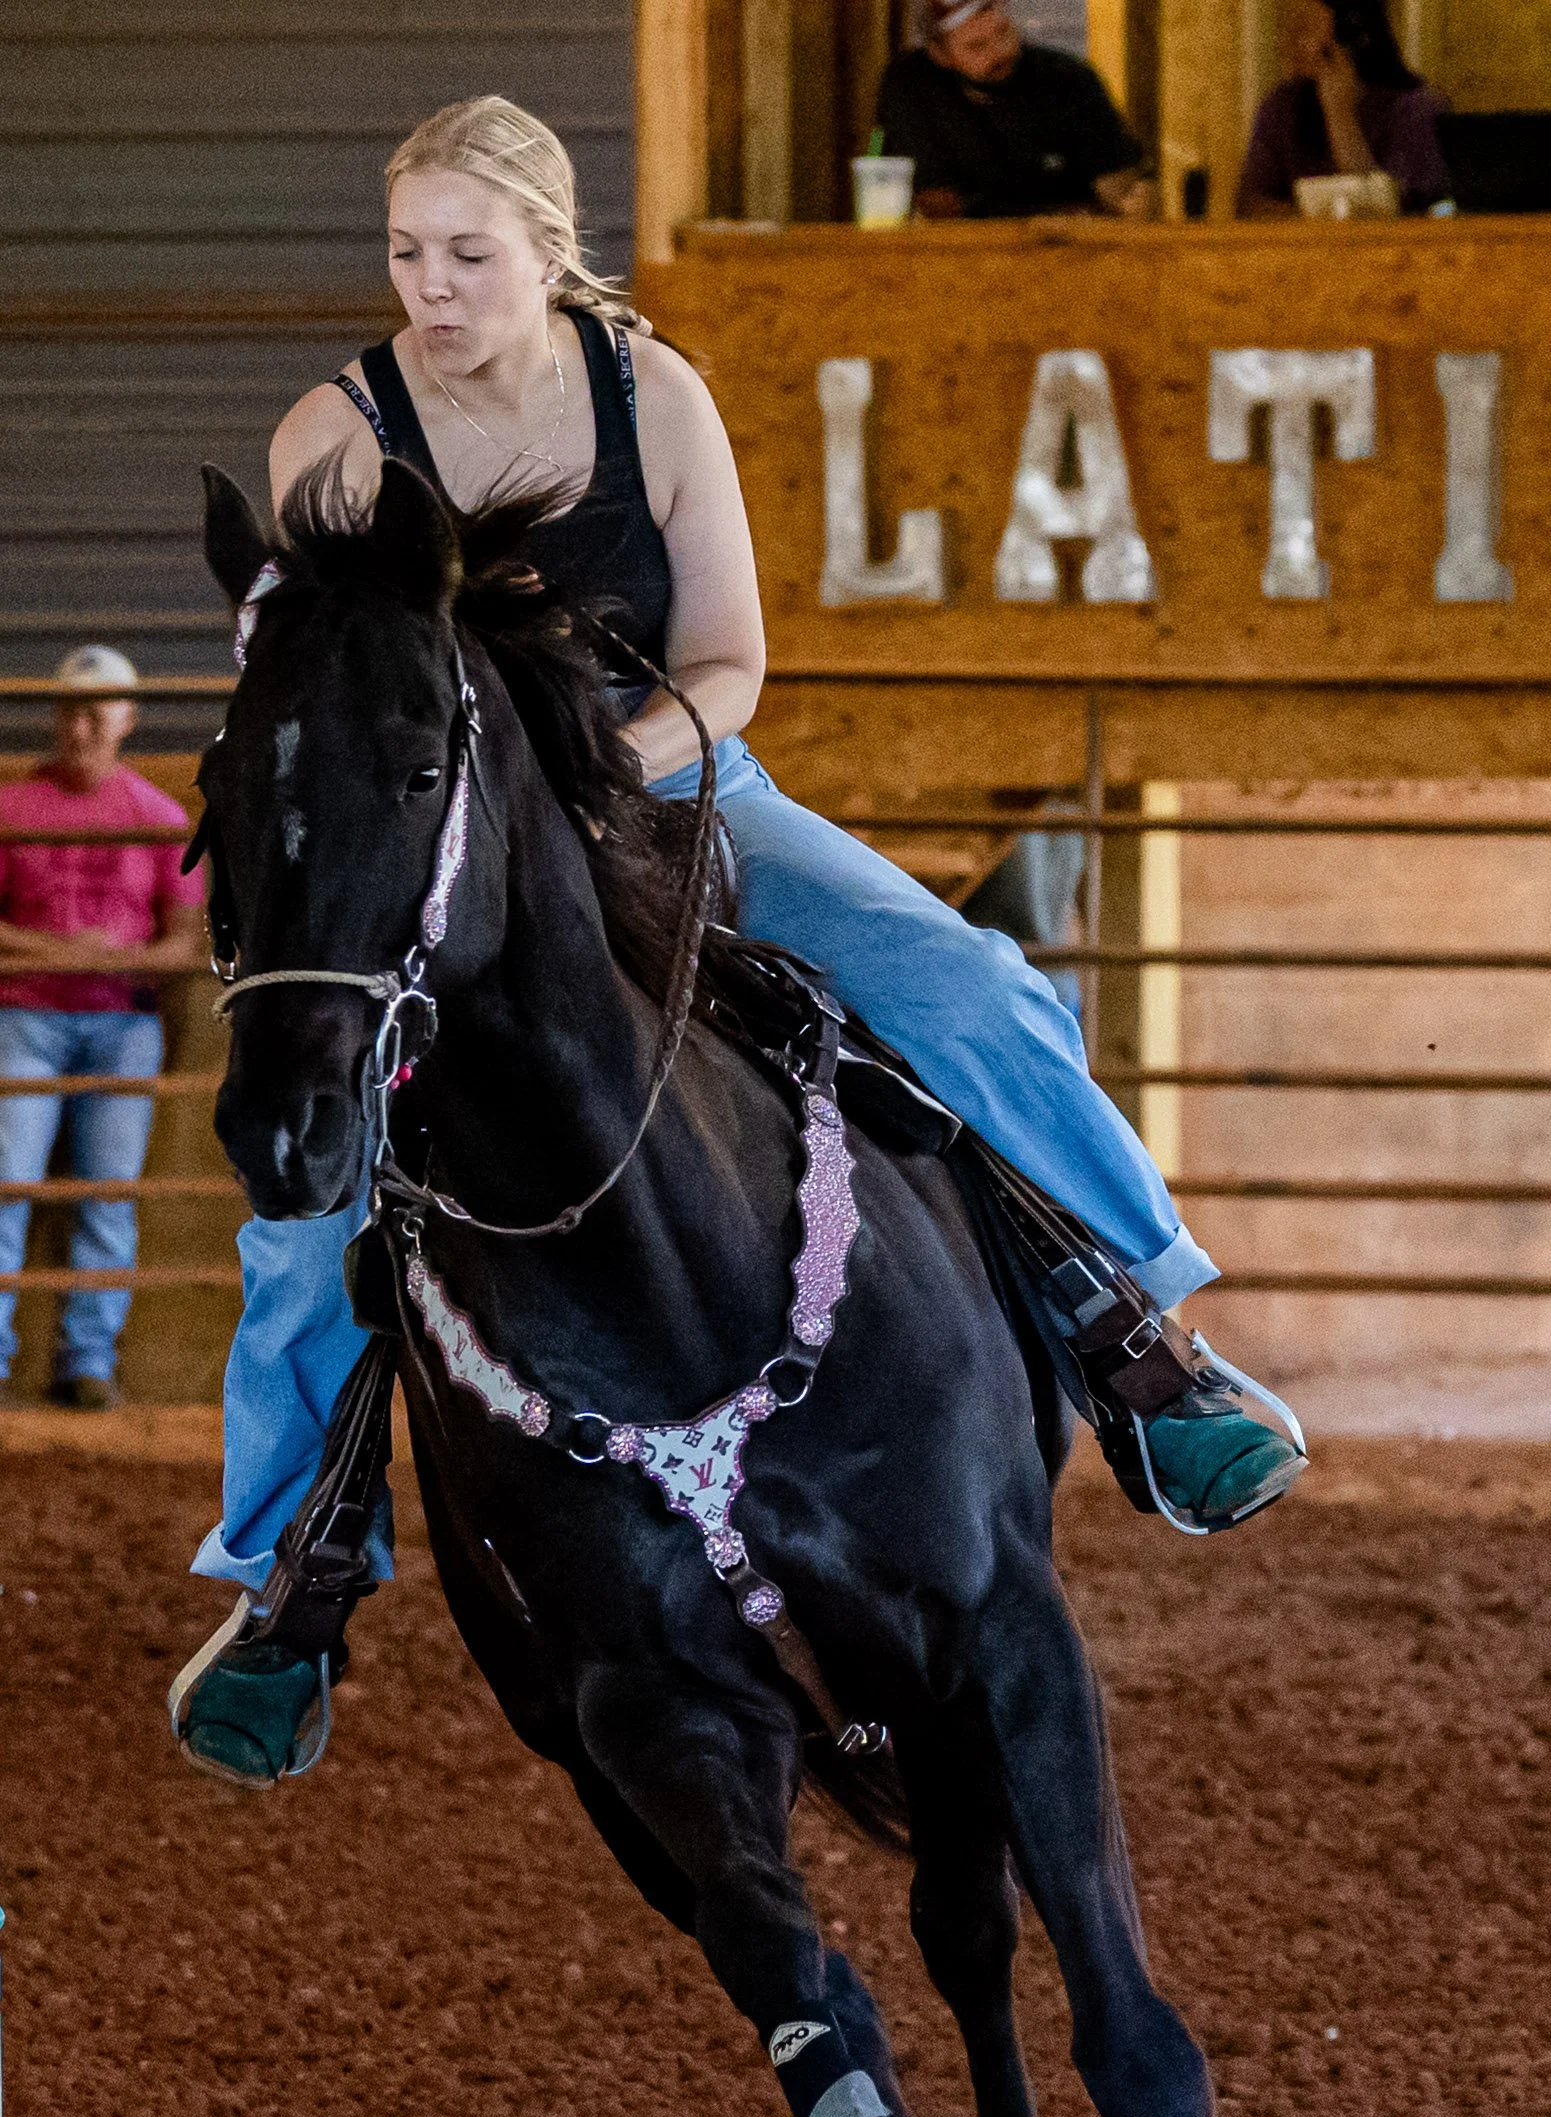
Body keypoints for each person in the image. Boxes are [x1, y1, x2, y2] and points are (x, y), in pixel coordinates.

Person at [179, 94, 1302, 1779]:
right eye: (408, 252)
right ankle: (289, 1572)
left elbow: (726, 665)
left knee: (965, 980)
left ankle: (1145, 1343)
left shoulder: (657, 398)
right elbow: (335, 700)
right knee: (307, 1186)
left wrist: (589, 782)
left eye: (468, 254)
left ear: (548, 252)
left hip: (681, 784)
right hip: (446, 845)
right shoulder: (333, 444)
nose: (432, 284)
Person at [0, 646, 204, 1408]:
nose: (81, 726)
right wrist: (76, 951)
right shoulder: (13, 809)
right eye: (70, 710)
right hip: (27, 1016)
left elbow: (185, 942)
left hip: (122, 1023)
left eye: (97, 711)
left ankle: (87, 1362)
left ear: (126, 719)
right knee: (8, 1185)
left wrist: (130, 958)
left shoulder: (161, 818)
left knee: (107, 1193)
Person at [875, 0, 1153, 220]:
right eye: (977, 46)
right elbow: (937, 204)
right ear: (940, 55)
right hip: (962, 254)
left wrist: (1132, 202)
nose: (1000, 52)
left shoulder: (1068, 79)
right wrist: (1054, 216)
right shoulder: (911, 84)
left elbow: (1117, 185)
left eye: (1004, 32)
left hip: (1071, 253)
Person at [1236, 0, 1449, 217]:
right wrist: (1312, 218)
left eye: (1304, 30)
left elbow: (1391, 212)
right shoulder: (1280, 107)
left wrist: (1340, 115)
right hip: (1299, 247)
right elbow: (1250, 206)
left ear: (1350, 40)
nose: (1289, 41)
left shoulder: (1414, 109)